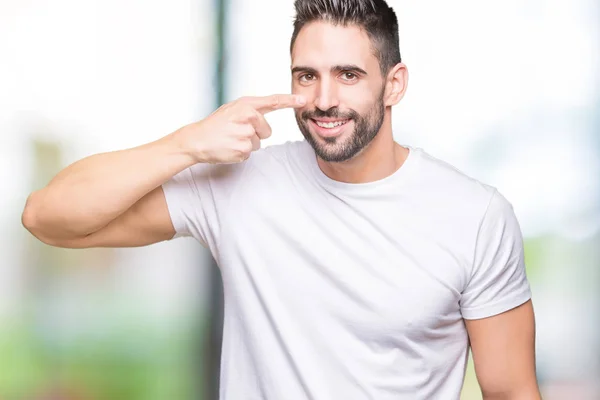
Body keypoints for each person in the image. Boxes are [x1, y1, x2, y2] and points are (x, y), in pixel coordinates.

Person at [22, 0, 542, 399]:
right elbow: (49, 217)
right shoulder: (238, 183)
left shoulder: (474, 216)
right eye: (306, 75)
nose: (323, 99)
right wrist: (187, 143)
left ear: (394, 84)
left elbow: (512, 391)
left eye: (349, 75)